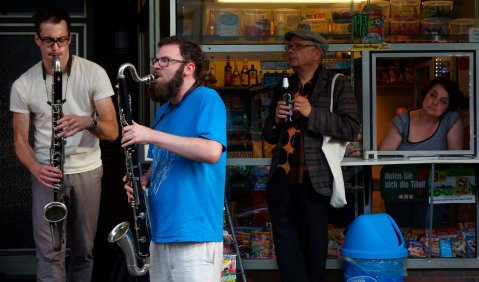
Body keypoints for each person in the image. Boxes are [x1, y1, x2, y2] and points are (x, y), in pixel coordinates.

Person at [9, 6, 119, 282]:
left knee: (84, 250)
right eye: (48, 40)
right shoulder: (23, 84)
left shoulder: (93, 73)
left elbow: (113, 131)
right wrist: (36, 168)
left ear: (70, 39)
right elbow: (20, 141)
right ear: (37, 40)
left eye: (60, 40)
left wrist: (87, 122)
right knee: (49, 252)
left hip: (87, 170)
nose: (55, 48)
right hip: (47, 175)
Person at [121, 36, 227, 281]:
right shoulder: (163, 111)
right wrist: (143, 180)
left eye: (165, 60)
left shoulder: (207, 98)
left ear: (189, 67)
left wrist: (150, 134)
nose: (156, 66)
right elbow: (167, 162)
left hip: (194, 236)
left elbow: (211, 151)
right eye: (156, 60)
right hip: (161, 234)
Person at [262, 30, 360, 282]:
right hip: (281, 178)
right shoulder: (284, 85)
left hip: (315, 181)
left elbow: (350, 128)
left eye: (297, 46)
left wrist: (311, 112)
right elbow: (269, 136)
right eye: (289, 46)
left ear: (316, 53)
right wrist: (275, 119)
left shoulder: (338, 83)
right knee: (285, 249)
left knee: (314, 247)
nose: (290, 50)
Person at [379, 76, 465, 227]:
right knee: (400, 234)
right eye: (433, 95)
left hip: (433, 189)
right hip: (400, 185)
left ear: (448, 107)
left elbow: (455, 158)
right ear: (425, 94)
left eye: (443, 101)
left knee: (427, 236)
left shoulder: (450, 120)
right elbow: (383, 154)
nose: (435, 102)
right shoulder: (403, 120)